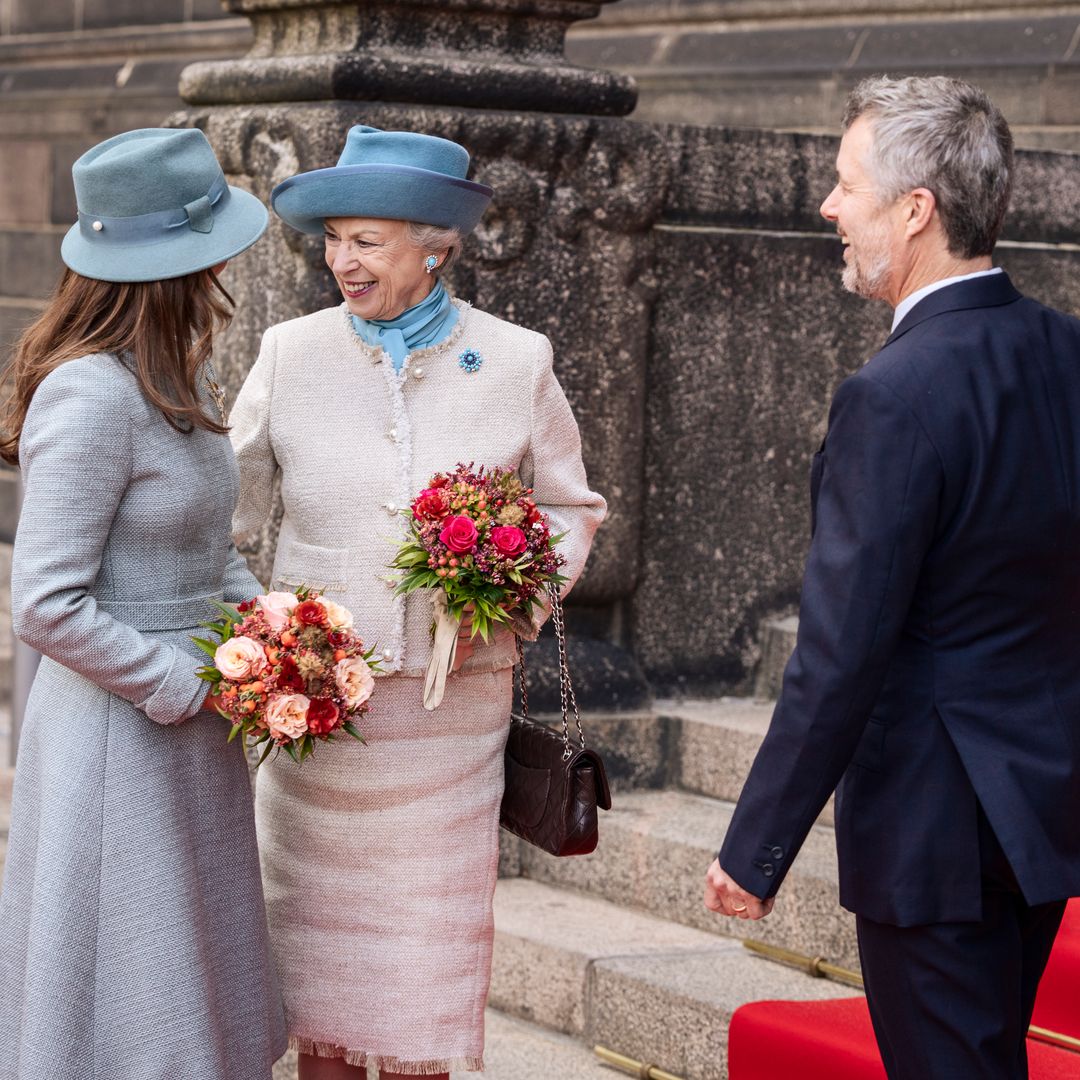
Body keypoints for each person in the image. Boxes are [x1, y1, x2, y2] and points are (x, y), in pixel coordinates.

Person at [705, 76, 1080, 1078]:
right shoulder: (1064, 350)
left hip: (935, 826)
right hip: (1043, 808)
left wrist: (756, 846)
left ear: (917, 210)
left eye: (846, 185)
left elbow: (841, 649)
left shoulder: (892, 394)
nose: (829, 206)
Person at [230, 124, 606, 1079]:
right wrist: (266, 635)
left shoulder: (517, 359)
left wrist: (508, 591)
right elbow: (227, 518)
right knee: (318, 998)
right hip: (321, 729)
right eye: (332, 240)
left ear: (435, 244)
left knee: (420, 988)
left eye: (367, 240)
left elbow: (570, 507)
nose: (340, 262)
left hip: (450, 729)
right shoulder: (290, 352)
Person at [0, 128, 287, 1079]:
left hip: (194, 731)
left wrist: (273, 629)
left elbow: (209, 549)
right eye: (209, 259)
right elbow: (44, 604)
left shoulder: (169, 374)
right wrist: (185, 681)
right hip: (120, 740)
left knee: (197, 988)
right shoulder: (87, 395)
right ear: (170, 269)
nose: (220, 277)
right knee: (136, 1006)